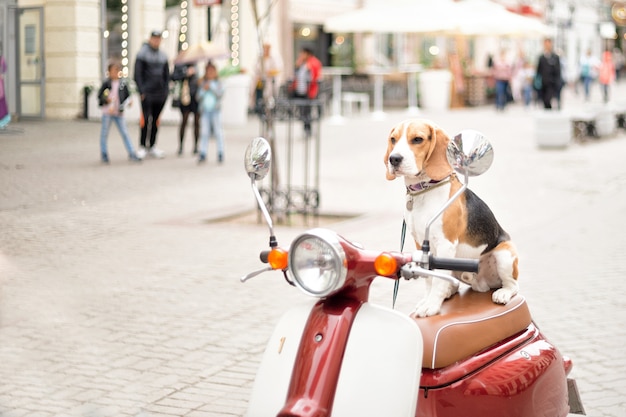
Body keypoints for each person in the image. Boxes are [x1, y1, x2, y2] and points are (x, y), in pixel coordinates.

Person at [133, 30, 169, 159]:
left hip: (160, 94)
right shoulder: (142, 54)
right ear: (150, 39)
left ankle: (152, 145)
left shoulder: (163, 56)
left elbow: (166, 75)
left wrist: (166, 92)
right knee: (145, 119)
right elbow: (137, 74)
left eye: (159, 39)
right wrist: (142, 91)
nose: (156, 41)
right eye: (155, 38)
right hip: (147, 93)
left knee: (155, 120)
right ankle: (142, 145)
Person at [97, 62, 141, 164]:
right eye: (113, 71)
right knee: (104, 133)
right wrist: (106, 100)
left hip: (119, 112)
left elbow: (127, 96)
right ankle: (104, 154)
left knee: (125, 133)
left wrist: (129, 102)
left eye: (117, 71)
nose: (116, 73)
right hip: (108, 112)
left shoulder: (122, 83)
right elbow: (100, 96)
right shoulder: (106, 83)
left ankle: (131, 153)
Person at [196, 61, 225, 164]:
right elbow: (198, 97)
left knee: (218, 132)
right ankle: (203, 152)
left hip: (215, 111)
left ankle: (220, 152)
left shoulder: (218, 83)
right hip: (205, 111)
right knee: (204, 132)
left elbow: (220, 94)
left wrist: (211, 87)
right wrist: (203, 89)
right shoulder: (202, 83)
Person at [292, 47, 322, 138]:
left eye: (302, 53)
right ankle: (305, 128)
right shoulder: (302, 62)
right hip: (300, 90)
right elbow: (296, 74)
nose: (301, 55)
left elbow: (315, 77)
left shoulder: (313, 62)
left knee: (307, 111)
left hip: (309, 91)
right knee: (302, 111)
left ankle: (308, 129)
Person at [171, 63, 200, 155]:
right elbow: (173, 77)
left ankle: (196, 146)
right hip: (185, 97)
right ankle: (181, 146)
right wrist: (186, 73)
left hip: (195, 97)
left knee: (197, 122)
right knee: (184, 121)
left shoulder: (196, 64)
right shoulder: (180, 65)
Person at [252, 43, 282, 114]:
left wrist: (270, 72)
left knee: (269, 97)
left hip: (270, 82)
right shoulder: (260, 58)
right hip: (260, 82)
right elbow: (256, 69)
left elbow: (278, 69)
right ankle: (261, 111)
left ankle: (270, 112)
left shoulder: (273, 58)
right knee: (261, 98)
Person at [536, 38, 562, 110]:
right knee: (544, 100)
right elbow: (538, 70)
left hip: (552, 83)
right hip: (544, 83)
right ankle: (548, 112)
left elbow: (558, 71)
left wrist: (558, 82)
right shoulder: (541, 57)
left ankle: (549, 111)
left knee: (548, 99)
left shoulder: (555, 57)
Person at [0, 51, 10, 129]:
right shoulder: (1, 59)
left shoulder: (1, 59)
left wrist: (2, 74)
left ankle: (2, 121)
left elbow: (4, 68)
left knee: (1, 101)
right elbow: (4, 68)